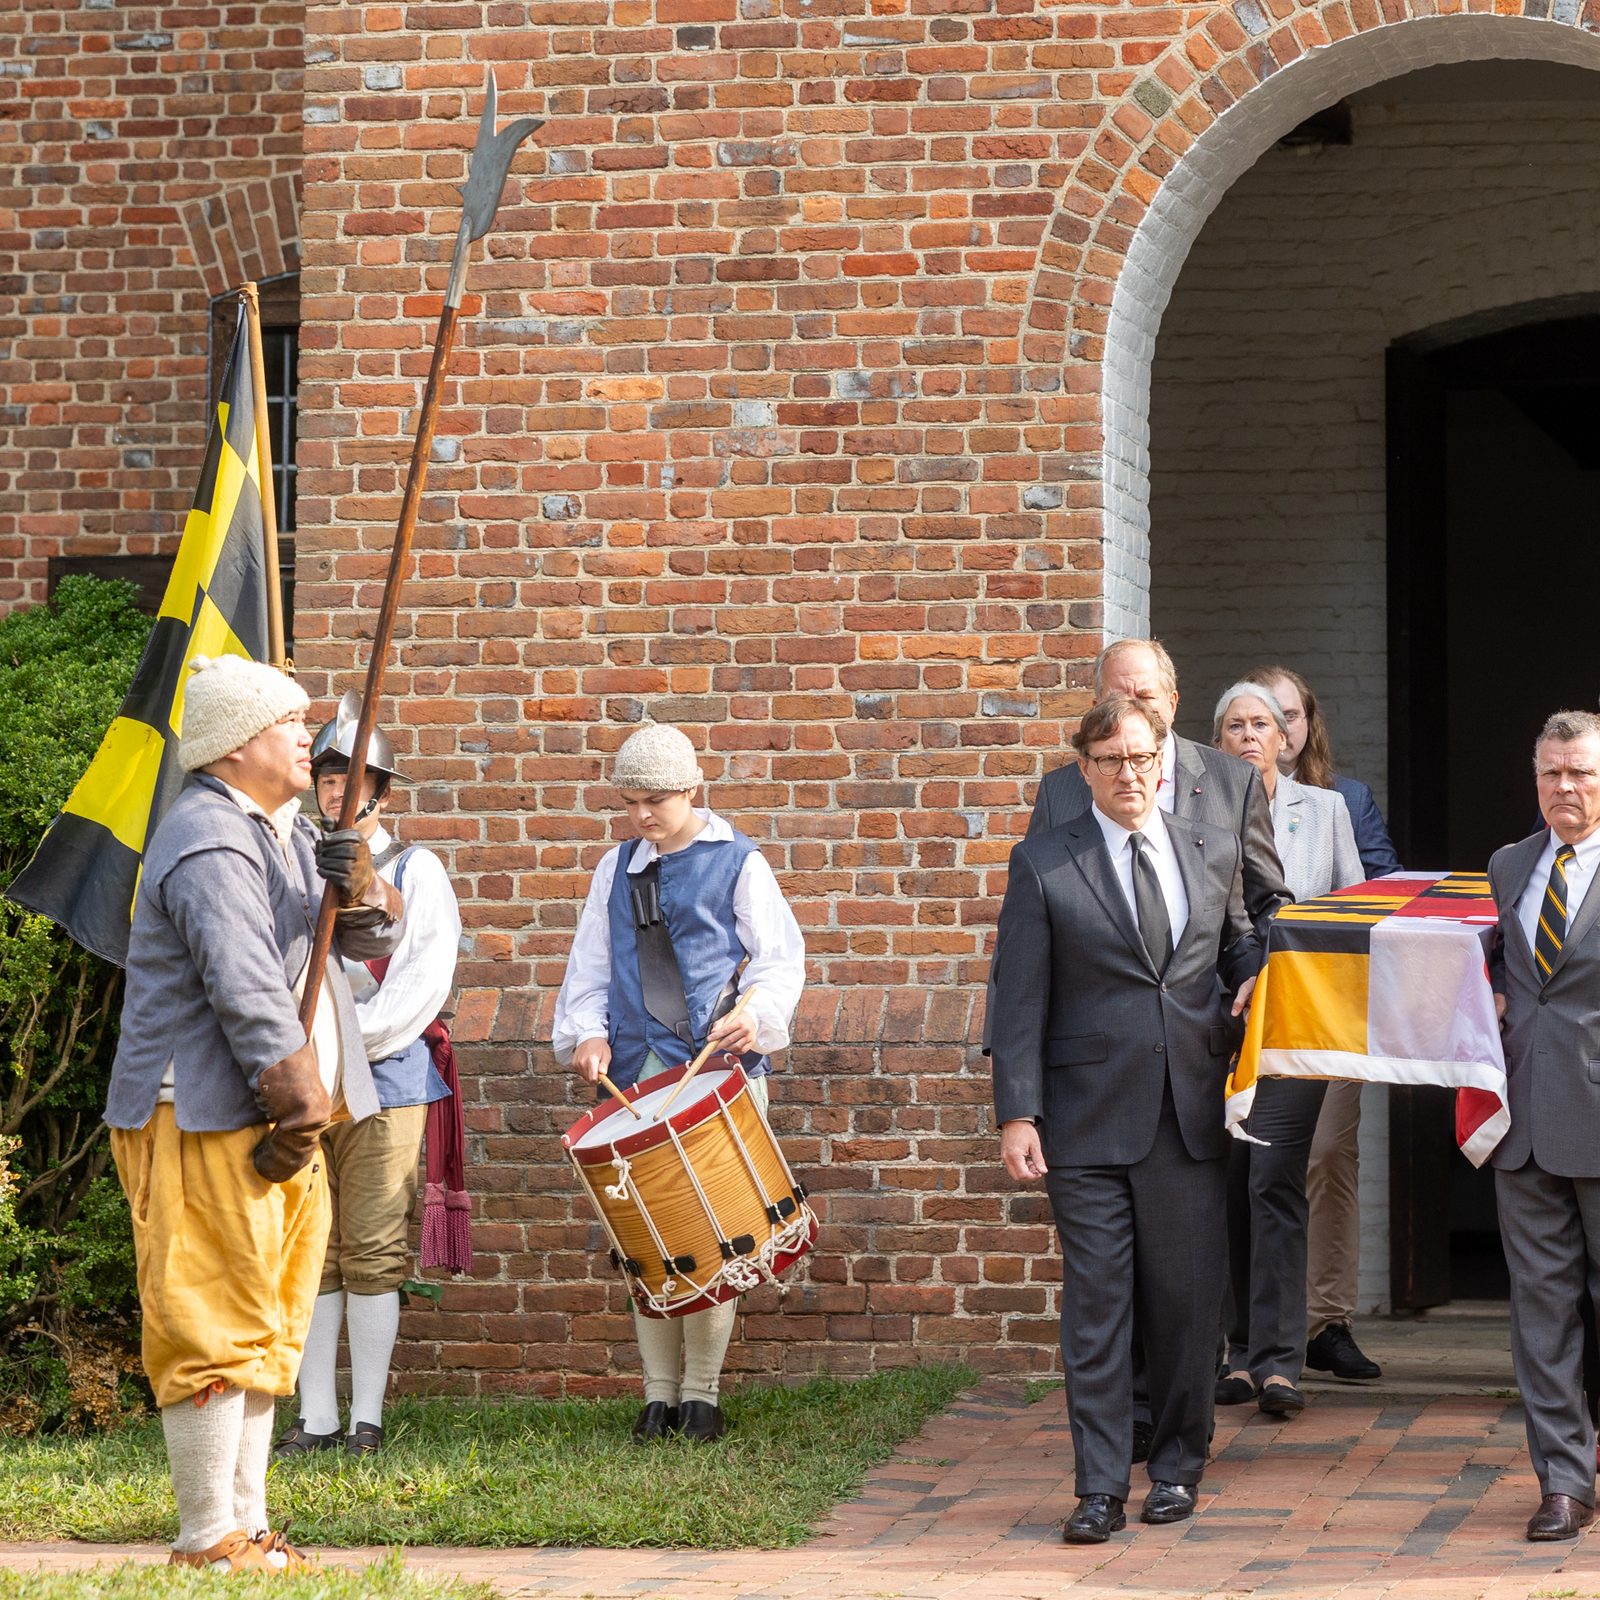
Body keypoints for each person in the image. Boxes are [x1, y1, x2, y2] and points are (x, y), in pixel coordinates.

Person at [104, 656, 402, 1573]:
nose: (306, 741)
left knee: (265, 1322)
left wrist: (365, 887)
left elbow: (362, 940)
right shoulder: (207, 837)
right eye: (290, 724)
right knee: (210, 1322)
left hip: (260, 1113)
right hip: (198, 1109)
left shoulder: (273, 832)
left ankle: (246, 1527)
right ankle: (206, 1539)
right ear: (239, 745)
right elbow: (245, 989)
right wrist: (303, 1102)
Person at [990, 695, 1260, 1543]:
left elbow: (1234, 947)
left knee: (1185, 1306)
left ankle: (1177, 1466)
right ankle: (1099, 1486)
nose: (1130, 775)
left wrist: (1257, 982)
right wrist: (1017, 1113)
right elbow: (1020, 996)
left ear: (1162, 762)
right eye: (1110, 761)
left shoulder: (1207, 851)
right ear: (1086, 771)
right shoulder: (1043, 863)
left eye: (1142, 759)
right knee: (1098, 1307)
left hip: (1188, 1112)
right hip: (1084, 1121)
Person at [551, 724, 806, 1444]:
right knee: (645, 1240)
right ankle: (657, 1394)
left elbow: (779, 961)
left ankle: (703, 1395)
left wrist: (754, 1015)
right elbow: (590, 963)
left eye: (655, 800)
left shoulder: (738, 862)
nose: (641, 815)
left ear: (693, 788)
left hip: (715, 1080)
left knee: (713, 1235)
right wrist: (588, 1032)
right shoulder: (616, 869)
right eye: (630, 801)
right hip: (634, 1076)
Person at [274, 700, 462, 1459]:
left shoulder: (417, 870)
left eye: (352, 778)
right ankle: (316, 1417)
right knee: (312, 1248)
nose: (336, 791)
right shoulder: (288, 856)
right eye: (326, 776)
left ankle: (367, 1419)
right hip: (303, 1081)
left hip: (385, 1077)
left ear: (380, 792)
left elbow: (418, 989)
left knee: (374, 1248)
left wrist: (339, 1046)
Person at [1212, 682, 1362, 1419]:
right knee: (1233, 1177)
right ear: (1217, 742)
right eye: (1234, 725)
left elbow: (1354, 912)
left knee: (1275, 1174)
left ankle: (1280, 1363)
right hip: (1220, 1024)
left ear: (1284, 739)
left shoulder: (1326, 810)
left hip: (1298, 1021)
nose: (1248, 736)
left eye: (1261, 725)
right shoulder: (1193, 814)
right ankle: (1238, 1354)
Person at [1243, 664, 1394, 1386]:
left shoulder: (1343, 801)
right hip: (1246, 1015)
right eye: (1254, 717)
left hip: (1324, 1011)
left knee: (1327, 1155)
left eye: (1288, 715)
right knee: (1258, 1166)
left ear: (1304, 726)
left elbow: (1378, 888)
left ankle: (1323, 1320)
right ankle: (1261, 1335)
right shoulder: (1215, 800)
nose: (1274, 729)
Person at [1489, 708, 1600, 1541]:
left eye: (1583, 773)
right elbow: (1504, 975)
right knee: (1542, 1314)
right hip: (1522, 1125)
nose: (1566, 787)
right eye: (1552, 773)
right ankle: (1562, 1481)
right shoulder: (1509, 864)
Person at [1250, 664, 1400, 880]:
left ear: (1309, 722)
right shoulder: (1212, 799)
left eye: (1290, 716)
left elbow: (1389, 886)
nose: (1280, 728)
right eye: (1263, 720)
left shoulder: (1351, 799)